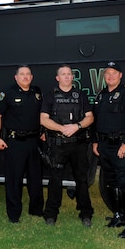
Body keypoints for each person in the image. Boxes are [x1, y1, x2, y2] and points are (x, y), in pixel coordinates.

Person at [92, 61, 125, 238]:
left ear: (120, 75)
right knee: (111, 182)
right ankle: (118, 216)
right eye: (107, 73)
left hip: (121, 145)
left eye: (114, 73)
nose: (110, 76)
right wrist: (95, 141)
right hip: (104, 145)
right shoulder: (101, 95)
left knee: (124, 183)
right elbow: (96, 120)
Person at [41, 64, 94, 227]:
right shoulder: (50, 96)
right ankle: (51, 214)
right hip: (57, 144)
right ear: (57, 78)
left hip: (78, 144)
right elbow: (43, 119)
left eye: (69, 74)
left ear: (72, 77)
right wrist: (62, 128)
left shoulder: (81, 95)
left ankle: (86, 214)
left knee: (82, 180)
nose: (66, 76)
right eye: (63, 74)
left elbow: (90, 117)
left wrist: (76, 126)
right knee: (55, 180)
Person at [0, 65, 44, 223]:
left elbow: (41, 115)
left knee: (35, 178)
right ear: (16, 77)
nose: (25, 77)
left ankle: (36, 210)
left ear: (32, 77)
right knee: (14, 179)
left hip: (34, 141)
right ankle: (14, 214)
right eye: (22, 74)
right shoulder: (7, 93)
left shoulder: (37, 93)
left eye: (28, 74)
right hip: (15, 142)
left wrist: (42, 132)